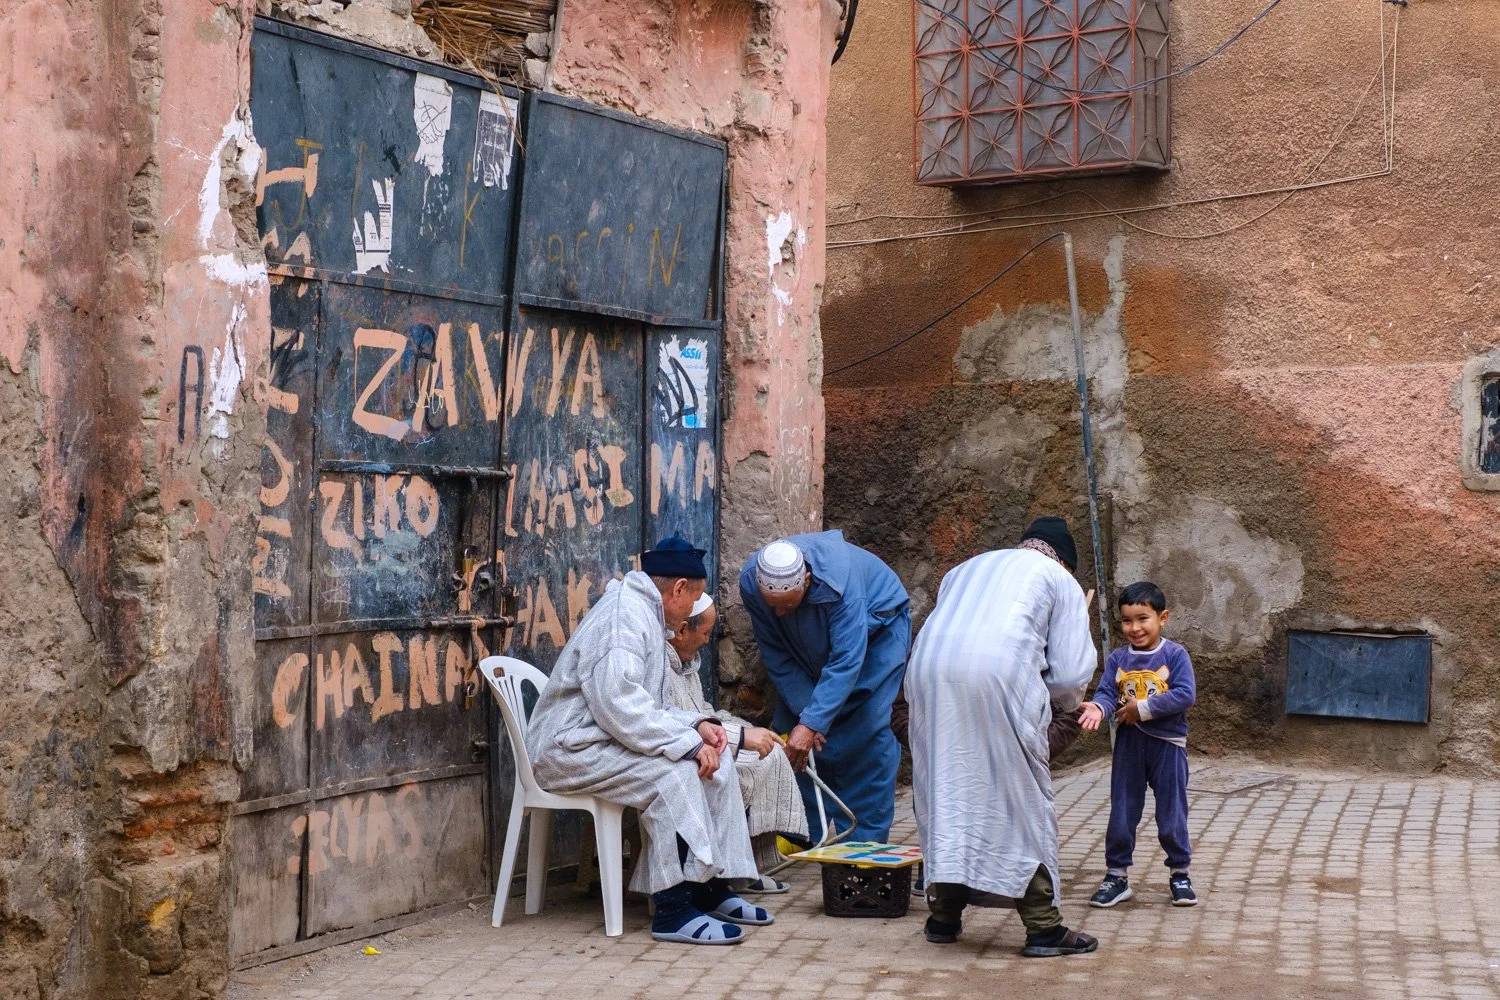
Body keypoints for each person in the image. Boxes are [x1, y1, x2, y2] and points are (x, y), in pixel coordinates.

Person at [526, 536, 772, 945]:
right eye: (692, 600)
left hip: (601, 739)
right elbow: (619, 707)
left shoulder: (647, 615)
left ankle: (710, 887)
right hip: (568, 749)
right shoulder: (622, 621)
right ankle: (672, 910)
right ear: (678, 589)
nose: (689, 611)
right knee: (674, 774)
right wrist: (687, 745)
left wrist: (697, 725)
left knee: (718, 760)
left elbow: (647, 707)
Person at [906, 516, 1100, 957]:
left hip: (927, 679)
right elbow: (1071, 674)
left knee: (948, 790)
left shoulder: (965, 569)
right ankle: (1043, 927)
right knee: (1017, 799)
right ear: (1065, 562)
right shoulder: (1060, 580)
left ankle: (943, 915)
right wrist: (1060, 703)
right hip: (997, 679)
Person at [739, 530, 910, 844]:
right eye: (772, 606)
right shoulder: (752, 581)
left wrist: (812, 723)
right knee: (798, 729)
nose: (779, 614)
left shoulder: (841, 587)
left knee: (869, 728)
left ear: (806, 580)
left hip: (876, 635)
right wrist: (808, 717)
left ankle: (861, 843)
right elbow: (777, 655)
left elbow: (847, 659)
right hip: (811, 641)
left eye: (786, 606)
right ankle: (802, 833)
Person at [663, 593, 809, 893]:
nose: (708, 641)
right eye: (706, 633)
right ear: (682, 631)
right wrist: (739, 737)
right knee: (729, 765)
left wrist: (747, 730)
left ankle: (750, 865)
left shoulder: (686, 664)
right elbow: (672, 721)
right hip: (677, 752)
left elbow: (703, 712)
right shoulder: (660, 665)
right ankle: (722, 876)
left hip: (700, 742)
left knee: (769, 755)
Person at [1079, 581, 1198, 908]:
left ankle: (1180, 874)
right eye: (1127, 620)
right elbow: (1107, 692)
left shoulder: (1175, 655)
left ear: (1163, 618)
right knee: (1122, 811)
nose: (1135, 628)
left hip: (1168, 745)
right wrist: (1099, 708)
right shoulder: (1118, 658)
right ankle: (1116, 876)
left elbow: (1185, 694)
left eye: (1143, 618)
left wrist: (1141, 709)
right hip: (1129, 746)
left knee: (1172, 813)